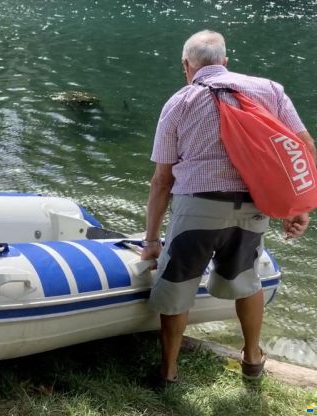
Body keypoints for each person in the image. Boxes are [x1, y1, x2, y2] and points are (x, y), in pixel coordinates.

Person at [141, 30, 314, 384]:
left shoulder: (179, 102)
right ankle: (252, 359)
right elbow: (302, 150)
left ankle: (168, 372)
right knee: (248, 281)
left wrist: (151, 239)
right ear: (225, 62)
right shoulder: (270, 90)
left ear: (186, 66)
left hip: (197, 209)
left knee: (177, 285)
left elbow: (162, 180)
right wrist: (299, 207)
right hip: (253, 208)